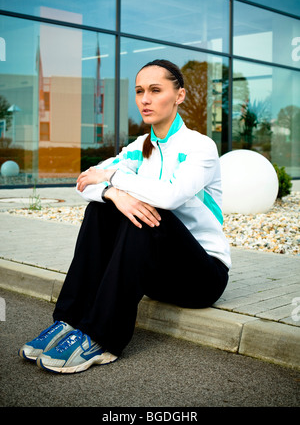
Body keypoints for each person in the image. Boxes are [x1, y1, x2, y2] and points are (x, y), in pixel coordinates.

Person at [19, 59, 231, 374]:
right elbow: (86, 181)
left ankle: (102, 339)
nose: (145, 99)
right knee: (101, 208)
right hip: (155, 273)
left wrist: (114, 179)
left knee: (148, 211)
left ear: (179, 95)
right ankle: (68, 320)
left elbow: (170, 195)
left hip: (201, 276)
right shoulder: (139, 147)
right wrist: (112, 193)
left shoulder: (200, 147)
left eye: (156, 90)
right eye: (140, 91)